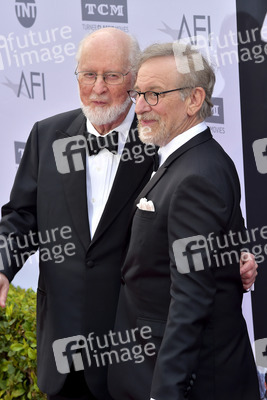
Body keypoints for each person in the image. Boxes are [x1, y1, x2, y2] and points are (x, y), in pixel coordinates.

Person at [0, 29, 257, 400]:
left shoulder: (161, 137)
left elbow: (211, 210)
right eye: (88, 74)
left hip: (135, 354)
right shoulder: (47, 136)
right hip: (63, 349)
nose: (98, 88)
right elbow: (21, 216)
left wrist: (240, 253)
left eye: (112, 76)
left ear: (134, 80)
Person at [108, 42, 260, 400]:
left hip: (187, 380)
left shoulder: (197, 175)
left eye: (154, 94)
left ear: (194, 100)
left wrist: (165, 392)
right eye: (138, 93)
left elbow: (191, 299)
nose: (140, 106)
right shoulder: (189, 159)